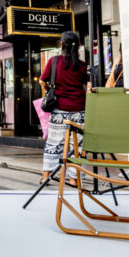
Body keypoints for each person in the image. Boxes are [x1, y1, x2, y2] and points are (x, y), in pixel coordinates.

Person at [39, 31, 89, 184]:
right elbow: (86, 84)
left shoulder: (54, 61)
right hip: (79, 108)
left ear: (61, 44)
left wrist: (49, 89)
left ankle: (46, 176)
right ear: (78, 46)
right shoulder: (82, 65)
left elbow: (42, 80)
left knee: (54, 143)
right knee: (77, 145)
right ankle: (74, 179)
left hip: (59, 109)